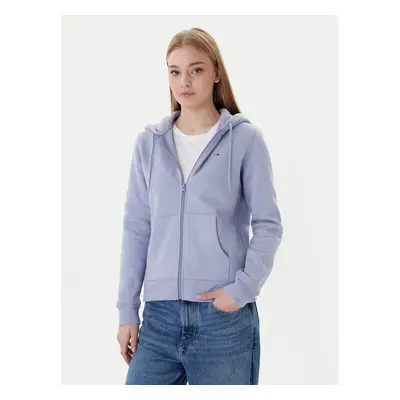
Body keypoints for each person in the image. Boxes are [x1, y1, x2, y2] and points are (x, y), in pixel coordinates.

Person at [116, 27, 283, 385]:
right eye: (175, 71)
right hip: (159, 318)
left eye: (196, 69)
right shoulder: (149, 143)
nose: (185, 82)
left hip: (222, 319)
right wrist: (127, 310)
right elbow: (137, 229)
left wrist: (241, 290)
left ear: (216, 72)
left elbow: (268, 224)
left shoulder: (245, 139)